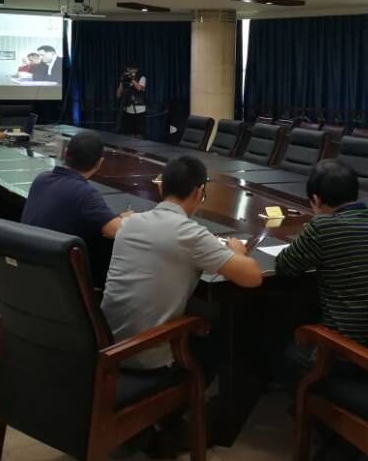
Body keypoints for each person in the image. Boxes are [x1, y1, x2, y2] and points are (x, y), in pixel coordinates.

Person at [102, 155, 263, 371]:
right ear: (199, 192)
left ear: (161, 189)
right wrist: (238, 253)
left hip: (107, 347)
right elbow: (253, 278)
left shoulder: (128, 223)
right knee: (221, 336)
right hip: (147, 357)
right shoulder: (190, 235)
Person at [276, 159, 368, 373]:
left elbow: (284, 266)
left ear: (315, 199)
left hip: (345, 353)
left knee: (277, 344)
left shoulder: (322, 227)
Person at [21, 130, 129, 286]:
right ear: (99, 163)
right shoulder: (85, 193)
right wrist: (127, 218)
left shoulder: (41, 178)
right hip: (60, 281)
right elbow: (116, 231)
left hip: (29, 273)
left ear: (65, 153)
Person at [116, 62, 146, 136]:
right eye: (128, 69)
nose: (130, 71)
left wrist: (131, 79)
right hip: (128, 109)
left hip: (139, 109)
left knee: (139, 133)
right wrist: (121, 82)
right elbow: (118, 95)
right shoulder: (125, 79)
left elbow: (140, 88)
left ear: (136, 70)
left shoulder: (142, 77)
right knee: (129, 133)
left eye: (132, 69)